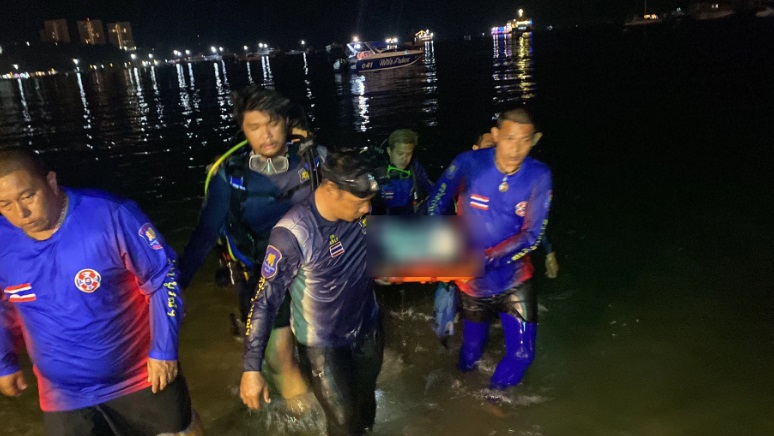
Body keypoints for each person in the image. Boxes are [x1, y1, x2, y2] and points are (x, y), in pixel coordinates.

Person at [0, 148, 203, 435]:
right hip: (63, 396)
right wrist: (5, 362)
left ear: (51, 182)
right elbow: (4, 305)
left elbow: (162, 277)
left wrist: (164, 350)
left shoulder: (110, 215)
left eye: (28, 196)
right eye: (4, 204)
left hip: (142, 377)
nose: (20, 213)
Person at [179, 87, 321, 400]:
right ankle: (305, 416)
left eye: (272, 123)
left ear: (286, 121)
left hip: (315, 268)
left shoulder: (313, 160)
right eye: (254, 127)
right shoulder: (230, 176)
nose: (266, 135)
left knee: (326, 352)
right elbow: (204, 234)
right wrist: (176, 286)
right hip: (262, 273)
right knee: (278, 359)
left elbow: (354, 208)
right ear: (243, 130)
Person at [240, 151, 383, 436]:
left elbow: (381, 248)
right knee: (344, 422)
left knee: (366, 407)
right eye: (359, 203)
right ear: (331, 189)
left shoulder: (360, 211)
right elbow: (265, 302)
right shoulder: (293, 233)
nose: (367, 209)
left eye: (369, 201)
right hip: (324, 343)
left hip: (368, 327)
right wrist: (251, 369)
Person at [428, 107, 552, 391]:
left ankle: (493, 400)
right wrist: (436, 252)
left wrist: (485, 259)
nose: (516, 149)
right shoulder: (468, 163)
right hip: (472, 284)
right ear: (496, 135)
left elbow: (533, 235)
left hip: (515, 279)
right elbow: (435, 203)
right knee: (471, 351)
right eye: (509, 139)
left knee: (523, 355)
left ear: (535, 140)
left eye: (524, 140)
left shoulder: (540, 175)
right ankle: (460, 388)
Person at [471, 131, 559, 279]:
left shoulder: (516, 183)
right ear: (475, 149)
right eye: (489, 146)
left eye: (498, 146)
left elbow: (534, 222)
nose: (495, 151)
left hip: (506, 260)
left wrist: (549, 251)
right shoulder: (463, 178)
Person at [373, 129, 434, 215]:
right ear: (389, 151)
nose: (404, 158)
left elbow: (431, 188)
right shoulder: (376, 170)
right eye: (400, 153)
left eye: (409, 154)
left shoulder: (414, 167)